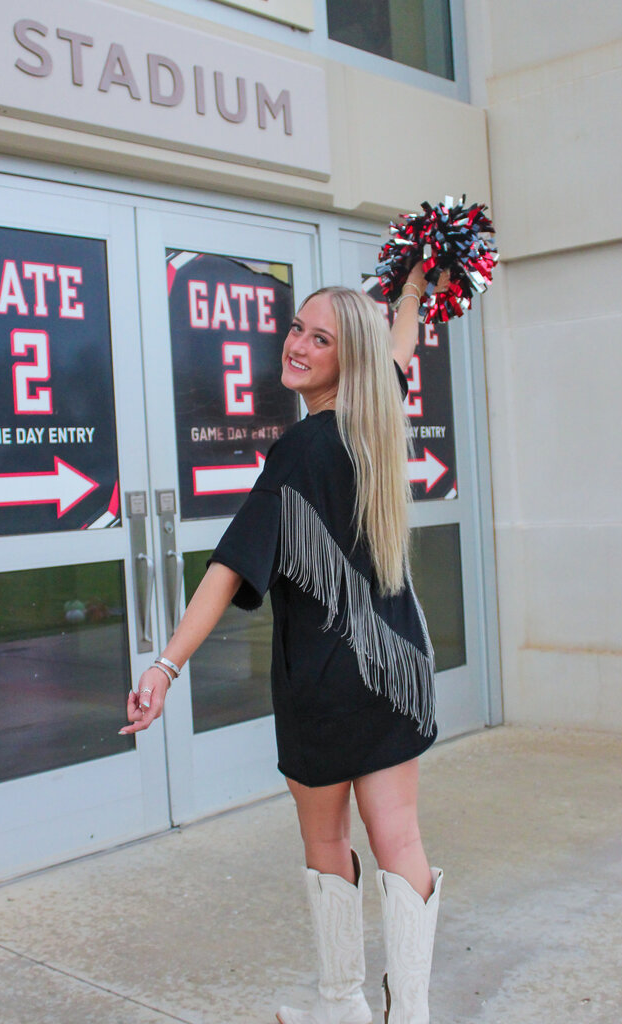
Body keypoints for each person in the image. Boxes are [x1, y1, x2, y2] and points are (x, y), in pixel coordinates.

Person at [121, 262, 449, 1024]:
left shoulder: (301, 449)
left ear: (347, 360)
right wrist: (411, 292)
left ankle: (342, 1007)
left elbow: (233, 564)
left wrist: (167, 664)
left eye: (320, 338)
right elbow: (399, 351)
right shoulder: (377, 418)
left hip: (325, 684)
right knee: (401, 839)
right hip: (398, 669)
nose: (297, 344)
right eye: (297, 327)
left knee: (327, 840)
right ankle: (412, 1018)